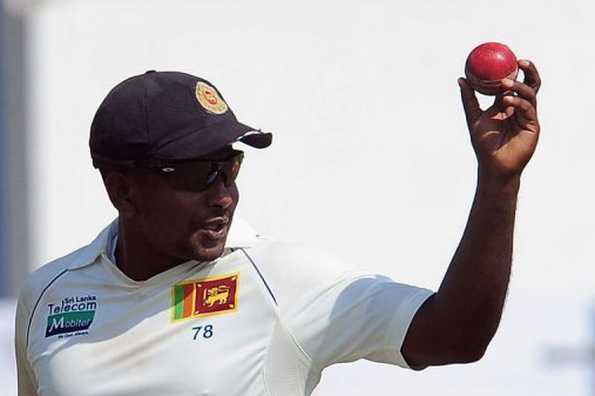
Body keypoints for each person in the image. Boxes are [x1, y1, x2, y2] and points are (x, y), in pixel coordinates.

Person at [14, 63, 541, 395]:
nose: (224, 194)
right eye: (200, 174)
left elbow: (456, 337)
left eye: (231, 168)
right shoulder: (48, 295)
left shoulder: (283, 281)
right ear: (123, 190)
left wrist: (499, 183)